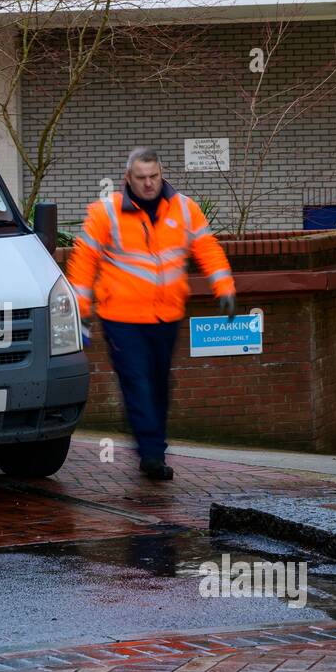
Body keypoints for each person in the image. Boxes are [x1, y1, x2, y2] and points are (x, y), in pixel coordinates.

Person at [66, 147, 237, 480]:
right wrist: (82, 312)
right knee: (138, 383)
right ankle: (152, 455)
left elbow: (207, 248)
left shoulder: (184, 209)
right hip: (121, 317)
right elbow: (84, 261)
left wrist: (224, 287)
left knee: (159, 384)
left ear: (162, 173)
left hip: (166, 315)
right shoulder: (107, 213)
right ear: (127, 178)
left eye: (154, 177)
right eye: (141, 178)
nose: (148, 184)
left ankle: (154, 448)